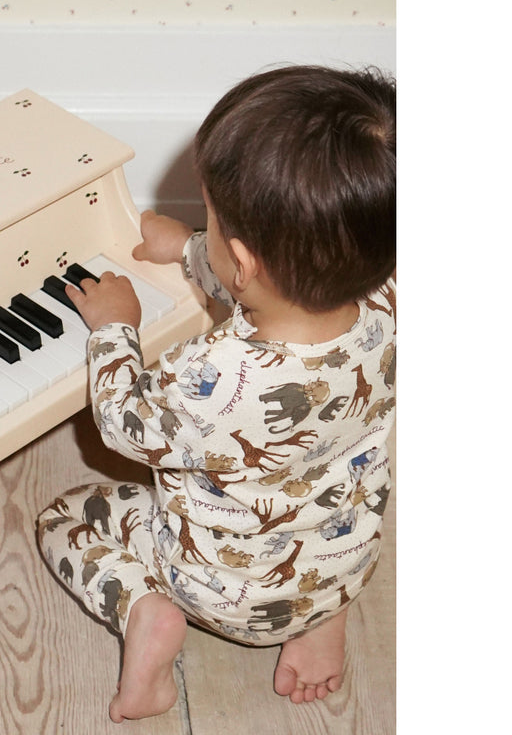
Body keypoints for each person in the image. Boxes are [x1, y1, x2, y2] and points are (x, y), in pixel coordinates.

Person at [36, 65, 396, 722]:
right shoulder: (387, 300)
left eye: (210, 218)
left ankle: (145, 611)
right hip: (342, 564)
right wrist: (189, 249)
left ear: (246, 259)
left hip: (220, 592)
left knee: (63, 518)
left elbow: (121, 424)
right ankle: (322, 618)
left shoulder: (213, 378)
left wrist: (115, 328)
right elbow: (265, 283)